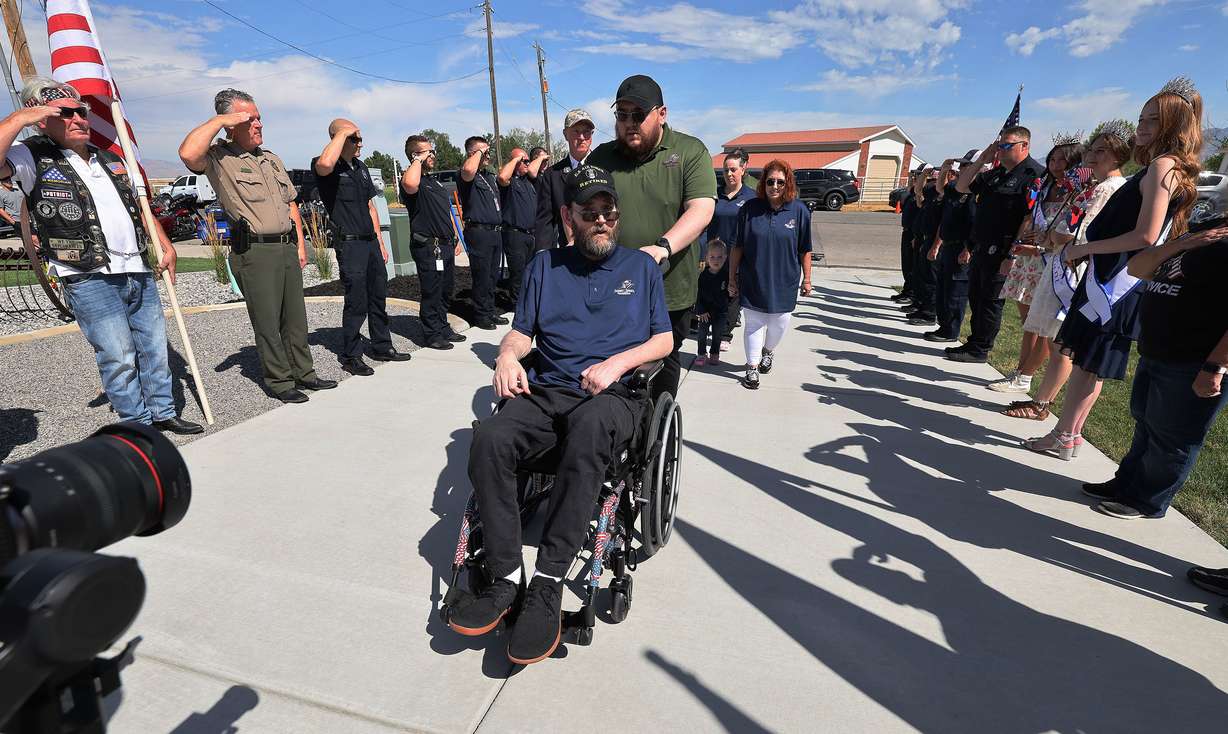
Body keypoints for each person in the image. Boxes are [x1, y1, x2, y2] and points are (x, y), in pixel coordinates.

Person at [456, 165, 673, 665]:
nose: (601, 221)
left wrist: (617, 364)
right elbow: (521, 332)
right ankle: (508, 575)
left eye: (608, 212)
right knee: (490, 437)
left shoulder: (640, 269)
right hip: (548, 390)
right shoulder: (543, 266)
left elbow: (663, 340)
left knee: (590, 427)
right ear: (568, 217)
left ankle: (550, 580)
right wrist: (507, 357)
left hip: (611, 398)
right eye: (589, 213)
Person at [0, 77, 201, 434]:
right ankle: (136, 426)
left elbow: (137, 206)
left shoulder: (109, 157)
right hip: (86, 272)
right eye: (66, 113)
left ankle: (163, 411)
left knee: (154, 347)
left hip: (136, 266)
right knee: (118, 355)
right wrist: (19, 119)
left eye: (82, 112)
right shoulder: (31, 156)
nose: (79, 119)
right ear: (41, 118)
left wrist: (164, 243)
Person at [1024, 78, 1203, 462]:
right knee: (1089, 363)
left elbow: (1146, 234)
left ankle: (1064, 435)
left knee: (1090, 361)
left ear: (1173, 127)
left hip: (1114, 282)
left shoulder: (1162, 166)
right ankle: (1066, 435)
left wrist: (1084, 248)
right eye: (1142, 117)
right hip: (1108, 275)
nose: (1142, 126)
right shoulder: (1162, 166)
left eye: (1153, 121)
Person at [180, 88, 336, 403]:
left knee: (295, 317)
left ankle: (305, 374)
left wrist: (301, 243)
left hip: (285, 246)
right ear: (230, 123)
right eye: (250, 119)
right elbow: (188, 153)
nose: (258, 125)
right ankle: (280, 382)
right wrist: (224, 119)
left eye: (259, 118)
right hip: (254, 250)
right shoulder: (218, 157)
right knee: (267, 320)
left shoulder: (271, 159)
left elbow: (290, 202)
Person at [1075, 217, 1228, 518]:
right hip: (1159, 349)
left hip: (1195, 359)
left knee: (1173, 436)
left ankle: (1146, 500)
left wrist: (1217, 365)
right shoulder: (1209, 228)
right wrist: (1182, 243)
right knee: (1146, 423)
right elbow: (1138, 268)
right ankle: (1127, 484)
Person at [587, 74, 717, 401]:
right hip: (610, 287)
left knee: (660, 370)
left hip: (668, 290)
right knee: (609, 366)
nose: (630, 123)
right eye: (622, 115)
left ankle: (652, 438)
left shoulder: (689, 152)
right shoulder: (601, 158)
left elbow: (701, 210)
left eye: (638, 115)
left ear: (661, 114)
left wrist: (662, 248)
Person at [1003, 124, 1130, 421]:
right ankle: (1040, 399)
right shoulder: (1092, 188)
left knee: (1060, 340)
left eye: (1102, 151)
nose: (1093, 157)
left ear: (1118, 156)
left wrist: (1052, 237)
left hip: (1074, 269)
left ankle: (1042, 404)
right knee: (1053, 337)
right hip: (1062, 262)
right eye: (1092, 150)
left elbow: (1079, 234)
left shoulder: (1107, 190)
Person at [312, 118, 410, 376]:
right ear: (341, 139)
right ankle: (351, 355)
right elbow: (324, 165)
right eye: (355, 138)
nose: (360, 143)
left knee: (378, 297)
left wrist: (380, 241)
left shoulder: (361, 168)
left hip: (370, 243)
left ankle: (381, 345)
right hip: (351, 244)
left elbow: (370, 206)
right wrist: (342, 133)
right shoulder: (326, 165)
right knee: (356, 302)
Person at [989, 137, 1085, 393]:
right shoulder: (1043, 188)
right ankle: (1020, 373)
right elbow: (1030, 219)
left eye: (1062, 160)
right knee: (1029, 323)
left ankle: (1025, 375)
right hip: (1029, 260)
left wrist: (1040, 247)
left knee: (1045, 327)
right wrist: (1015, 250)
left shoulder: (1078, 195)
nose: (1055, 165)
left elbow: (1072, 236)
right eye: (1052, 159)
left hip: (1052, 264)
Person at [947, 126, 1045, 363]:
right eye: (999, 145)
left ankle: (981, 347)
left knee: (991, 300)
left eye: (1006, 145)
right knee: (977, 296)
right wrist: (983, 158)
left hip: (1004, 250)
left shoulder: (1035, 175)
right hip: (981, 245)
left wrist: (1011, 254)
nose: (1000, 150)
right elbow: (961, 187)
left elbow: (1029, 218)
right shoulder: (995, 174)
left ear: (1024, 146)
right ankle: (974, 341)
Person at [728, 160, 813, 390]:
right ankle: (752, 368)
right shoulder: (750, 209)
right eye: (770, 181)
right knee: (753, 324)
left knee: (779, 324)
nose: (775, 186)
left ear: (788, 184)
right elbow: (738, 246)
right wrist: (732, 278)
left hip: (785, 282)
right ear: (763, 183)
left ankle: (768, 350)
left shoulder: (800, 211)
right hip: (754, 279)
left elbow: (805, 249)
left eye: (780, 182)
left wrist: (807, 279)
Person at [401, 133, 466, 350]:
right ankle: (431, 333)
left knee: (446, 289)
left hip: (445, 243)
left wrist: (455, 237)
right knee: (432, 290)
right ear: (415, 155)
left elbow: (446, 211)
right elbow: (410, 184)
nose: (433, 155)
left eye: (432, 151)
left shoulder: (434, 182)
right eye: (428, 152)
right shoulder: (412, 179)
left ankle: (442, 325)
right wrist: (418, 160)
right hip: (428, 245)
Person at [925, 152, 979, 343]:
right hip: (948, 246)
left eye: (967, 166)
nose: (962, 169)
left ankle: (951, 330)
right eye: (962, 166)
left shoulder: (975, 193)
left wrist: (968, 249)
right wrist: (944, 170)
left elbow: (975, 225)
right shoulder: (957, 189)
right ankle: (944, 326)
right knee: (944, 288)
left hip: (962, 248)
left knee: (956, 291)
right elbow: (941, 188)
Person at [458, 136, 507, 330]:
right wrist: (479, 152)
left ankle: (489, 310)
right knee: (482, 275)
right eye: (483, 152)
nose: (487, 155)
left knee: (493, 276)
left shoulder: (487, 176)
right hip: (479, 232)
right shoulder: (465, 175)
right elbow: (469, 169)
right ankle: (480, 315)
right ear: (472, 154)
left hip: (495, 232)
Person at [708, 148, 755, 347]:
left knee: (732, 292)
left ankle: (725, 334)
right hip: (715, 254)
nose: (729, 174)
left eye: (733, 169)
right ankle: (715, 324)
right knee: (715, 292)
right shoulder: (715, 194)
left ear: (743, 169)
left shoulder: (751, 197)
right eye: (726, 170)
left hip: (739, 253)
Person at [535, 109, 594, 251]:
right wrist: (542, 253)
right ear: (565, 134)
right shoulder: (553, 174)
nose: (581, 137)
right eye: (576, 131)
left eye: (587, 132)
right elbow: (545, 221)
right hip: (568, 252)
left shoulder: (603, 167)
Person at [497, 146, 548, 306]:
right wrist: (516, 159)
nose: (527, 163)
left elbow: (533, 170)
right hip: (515, 235)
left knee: (530, 272)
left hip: (530, 235)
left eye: (527, 160)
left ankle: (528, 302)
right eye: (523, 161)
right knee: (518, 273)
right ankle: (516, 305)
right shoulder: (510, 182)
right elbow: (502, 177)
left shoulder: (529, 182)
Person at [905, 167, 944, 326]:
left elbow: (943, 223)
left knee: (931, 279)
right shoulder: (931, 193)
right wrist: (923, 175)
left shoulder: (945, 195)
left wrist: (935, 245)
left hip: (935, 241)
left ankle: (929, 313)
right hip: (925, 238)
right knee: (922, 275)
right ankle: (922, 306)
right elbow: (917, 192)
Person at [694, 240, 729, 367]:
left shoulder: (726, 275)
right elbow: (699, 294)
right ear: (707, 258)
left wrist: (731, 293)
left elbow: (729, 295)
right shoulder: (703, 275)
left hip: (720, 312)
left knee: (717, 334)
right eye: (712, 257)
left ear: (725, 258)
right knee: (702, 334)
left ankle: (715, 353)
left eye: (720, 257)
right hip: (705, 311)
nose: (716, 260)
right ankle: (701, 354)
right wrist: (700, 310)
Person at [893, 169, 922, 305]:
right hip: (907, 231)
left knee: (912, 265)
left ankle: (911, 293)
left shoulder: (922, 195)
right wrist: (911, 178)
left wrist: (916, 235)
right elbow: (909, 190)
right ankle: (907, 290)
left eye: (918, 176)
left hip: (914, 233)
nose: (915, 178)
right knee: (906, 264)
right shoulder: (912, 193)